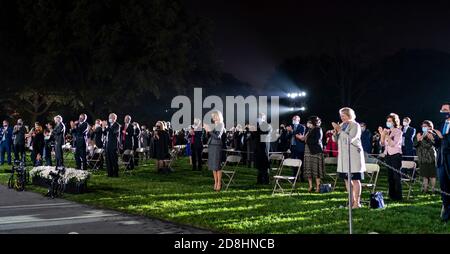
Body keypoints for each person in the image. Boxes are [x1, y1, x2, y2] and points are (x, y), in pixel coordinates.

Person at [332, 107, 366, 209]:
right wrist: (335, 133)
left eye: (343, 115)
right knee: (347, 180)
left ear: (349, 115)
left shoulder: (355, 125)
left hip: (353, 156)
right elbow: (336, 140)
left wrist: (340, 130)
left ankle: (357, 203)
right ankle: (351, 201)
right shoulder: (342, 125)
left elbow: (350, 139)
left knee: (355, 179)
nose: (342, 118)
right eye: (341, 116)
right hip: (343, 157)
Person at [379, 113, 403, 201]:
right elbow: (382, 144)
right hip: (388, 155)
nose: (388, 122)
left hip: (396, 155)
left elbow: (393, 144)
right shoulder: (387, 131)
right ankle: (391, 195)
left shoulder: (398, 131)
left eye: (390, 121)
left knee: (396, 176)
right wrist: (382, 135)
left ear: (394, 122)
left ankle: (398, 196)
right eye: (387, 121)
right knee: (390, 176)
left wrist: (387, 135)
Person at [434, 102, 450, 222]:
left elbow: (445, 140)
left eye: (445, 109)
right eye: (441, 109)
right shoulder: (440, 124)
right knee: (443, 186)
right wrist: (433, 139)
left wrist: (442, 137)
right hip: (441, 160)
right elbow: (438, 144)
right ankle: (445, 211)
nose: (442, 111)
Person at [415, 120, 437, 194]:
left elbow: (428, 146)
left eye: (425, 126)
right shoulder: (420, 134)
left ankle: (433, 190)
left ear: (430, 127)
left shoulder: (432, 134)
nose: (423, 127)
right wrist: (418, 140)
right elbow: (415, 145)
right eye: (423, 126)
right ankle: (425, 189)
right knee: (425, 175)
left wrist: (422, 139)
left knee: (432, 175)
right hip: (422, 158)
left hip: (431, 158)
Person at [304, 116, 325, 193]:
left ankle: (318, 187)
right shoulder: (309, 130)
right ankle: (310, 186)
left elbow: (317, 140)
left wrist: (306, 139)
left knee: (316, 170)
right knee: (309, 169)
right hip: (308, 151)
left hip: (315, 151)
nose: (308, 123)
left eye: (309, 122)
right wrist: (303, 138)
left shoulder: (318, 129)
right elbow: (306, 139)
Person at [206, 111, 225, 191]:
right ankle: (215, 182)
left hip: (217, 146)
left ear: (218, 116)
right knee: (213, 166)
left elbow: (218, 136)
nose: (213, 117)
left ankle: (219, 183)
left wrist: (210, 131)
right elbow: (210, 136)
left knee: (217, 166)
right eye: (212, 116)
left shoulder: (221, 124)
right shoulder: (213, 125)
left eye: (214, 116)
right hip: (211, 146)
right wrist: (207, 131)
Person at [287, 115, 306, 180]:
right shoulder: (291, 126)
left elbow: (300, 136)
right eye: (293, 119)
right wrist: (287, 131)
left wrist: (292, 131)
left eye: (295, 119)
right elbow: (287, 137)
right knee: (293, 162)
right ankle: (295, 176)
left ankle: (302, 176)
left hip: (299, 147)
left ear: (298, 120)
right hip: (292, 147)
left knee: (301, 162)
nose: (293, 120)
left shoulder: (302, 127)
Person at [254, 113, 272, 185]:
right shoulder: (258, 125)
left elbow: (265, 133)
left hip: (264, 146)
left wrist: (257, 130)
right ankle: (259, 180)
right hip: (258, 147)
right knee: (259, 164)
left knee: (264, 164)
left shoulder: (266, 125)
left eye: (259, 117)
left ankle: (266, 180)